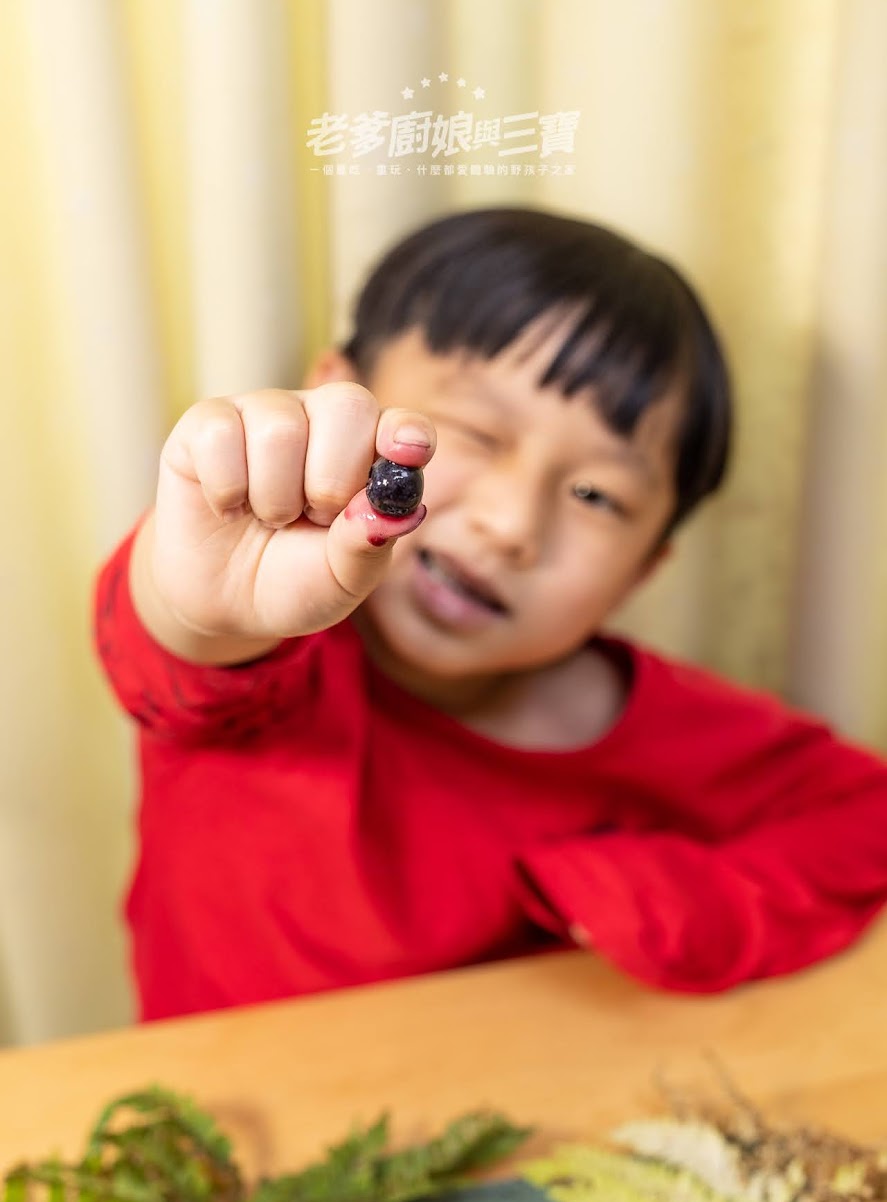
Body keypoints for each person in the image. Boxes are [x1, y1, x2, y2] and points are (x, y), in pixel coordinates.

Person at [94, 207, 887, 1021]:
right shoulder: (263, 655)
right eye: (474, 432)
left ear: (642, 571)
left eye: (595, 495)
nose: (512, 526)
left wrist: (624, 897)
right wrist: (199, 600)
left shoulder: (663, 725)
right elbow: (181, 645)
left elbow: (865, 813)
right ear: (338, 402)